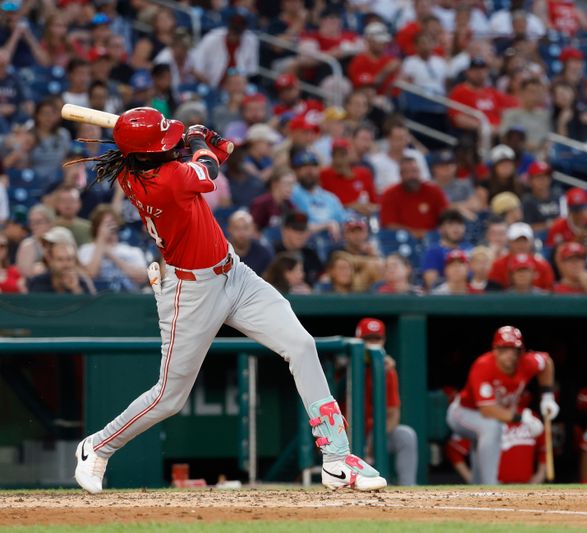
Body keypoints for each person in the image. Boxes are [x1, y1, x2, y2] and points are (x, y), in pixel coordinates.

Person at [72, 107, 385, 493]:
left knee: (301, 345)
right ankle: (98, 446)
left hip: (234, 273)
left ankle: (337, 458)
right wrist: (201, 143)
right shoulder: (166, 180)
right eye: (163, 143)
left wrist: (196, 146)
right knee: (169, 397)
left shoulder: (138, 166)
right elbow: (207, 170)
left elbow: (196, 162)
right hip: (192, 291)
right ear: (149, 154)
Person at [446, 326, 558, 485]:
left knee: (489, 431)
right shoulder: (483, 365)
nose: (509, 355)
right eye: (504, 349)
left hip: (490, 416)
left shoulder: (527, 362)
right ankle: (491, 486)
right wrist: (522, 418)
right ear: (495, 350)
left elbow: (546, 362)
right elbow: (487, 410)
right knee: (492, 428)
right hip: (463, 413)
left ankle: (478, 486)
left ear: (521, 351)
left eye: (514, 350)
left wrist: (548, 397)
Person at [354, 318, 419, 485]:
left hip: (374, 433)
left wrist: (375, 439)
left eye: (377, 339)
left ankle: (408, 487)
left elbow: (393, 414)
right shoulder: (347, 365)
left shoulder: (387, 370)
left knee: (406, 435)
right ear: (358, 341)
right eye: (368, 339)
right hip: (348, 433)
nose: (373, 343)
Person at [77, 205, 148, 293]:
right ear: (97, 227)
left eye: (112, 222)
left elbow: (142, 278)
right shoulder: (86, 249)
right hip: (97, 299)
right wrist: (101, 242)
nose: (110, 227)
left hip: (128, 298)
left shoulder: (133, 251)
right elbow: (90, 275)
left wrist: (111, 255)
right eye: (106, 224)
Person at [380, 157, 449, 239]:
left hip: (433, 238)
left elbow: (446, 216)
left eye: (414, 171)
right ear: (400, 175)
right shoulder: (390, 194)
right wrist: (414, 233)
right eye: (406, 172)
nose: (411, 176)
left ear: (420, 172)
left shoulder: (434, 191)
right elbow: (389, 225)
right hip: (402, 240)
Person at [290, 151, 346, 239]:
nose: (309, 171)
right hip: (304, 244)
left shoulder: (330, 198)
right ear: (296, 171)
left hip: (332, 245)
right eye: (304, 167)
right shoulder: (291, 194)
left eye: (313, 166)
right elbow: (294, 227)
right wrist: (326, 225)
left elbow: (343, 223)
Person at [191, 15, 259, 87]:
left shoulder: (251, 40)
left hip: (236, 87)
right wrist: (204, 79)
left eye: (237, 32)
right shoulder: (212, 38)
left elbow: (251, 70)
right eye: (233, 30)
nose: (234, 35)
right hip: (210, 84)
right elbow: (195, 64)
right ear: (228, 28)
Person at [319, 139, 378, 217]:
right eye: (334, 155)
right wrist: (350, 206)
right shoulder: (324, 175)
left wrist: (367, 208)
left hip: (364, 219)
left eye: (342, 155)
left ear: (350, 154)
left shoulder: (364, 174)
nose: (338, 160)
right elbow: (321, 207)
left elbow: (375, 204)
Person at [489, 222, 554, 290]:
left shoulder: (542, 266)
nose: (521, 245)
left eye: (524, 241)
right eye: (517, 241)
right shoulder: (498, 265)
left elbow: (549, 292)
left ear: (531, 242)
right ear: (509, 242)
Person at [271, 211, 324, 286]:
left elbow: (321, 277)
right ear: (284, 230)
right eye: (296, 230)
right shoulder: (272, 252)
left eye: (304, 230)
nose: (301, 235)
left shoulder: (310, 254)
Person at [500, 78, 551, 154]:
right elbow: (506, 138)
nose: (535, 96)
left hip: (544, 157)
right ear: (521, 93)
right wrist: (534, 146)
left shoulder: (546, 115)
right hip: (519, 156)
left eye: (539, 92)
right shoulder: (511, 114)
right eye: (532, 92)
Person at [421, 209, 470, 289]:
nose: (456, 228)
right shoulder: (434, 251)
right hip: (444, 296)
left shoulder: (470, 249)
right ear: (440, 229)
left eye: (460, 223)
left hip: (469, 294)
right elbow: (431, 282)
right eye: (451, 224)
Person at [28, 238, 95, 295]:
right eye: (60, 259)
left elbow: (91, 307)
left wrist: (75, 288)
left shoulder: (82, 281)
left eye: (69, 259)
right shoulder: (39, 282)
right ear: (51, 261)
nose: (65, 264)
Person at [227, 210, 272, 276]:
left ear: (253, 229)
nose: (241, 233)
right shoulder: (220, 253)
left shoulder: (264, 253)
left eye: (246, 228)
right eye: (237, 228)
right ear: (229, 230)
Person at [522, 162, 561, 232]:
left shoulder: (558, 195)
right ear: (530, 181)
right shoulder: (528, 201)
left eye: (546, 176)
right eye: (538, 177)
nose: (543, 180)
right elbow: (526, 228)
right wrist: (548, 225)